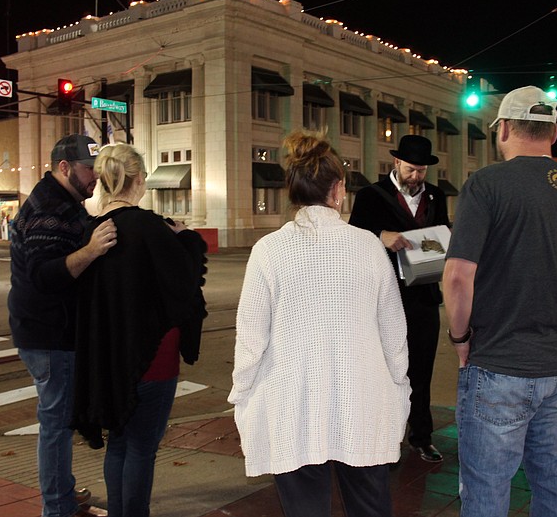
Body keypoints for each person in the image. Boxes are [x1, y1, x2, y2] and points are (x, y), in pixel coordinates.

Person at [443, 85, 557, 517]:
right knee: (552, 476)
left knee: (487, 484)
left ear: (504, 130)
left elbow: (458, 276)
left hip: (499, 362)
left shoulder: (487, 184)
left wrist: (460, 337)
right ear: (553, 133)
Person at [228, 131, 410, 517]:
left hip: (292, 406)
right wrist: (400, 389)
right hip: (362, 404)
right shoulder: (369, 247)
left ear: (291, 190)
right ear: (339, 189)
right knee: (370, 508)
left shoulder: (268, 251)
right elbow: (395, 337)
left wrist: (241, 393)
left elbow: (250, 341)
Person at [71, 143, 208, 517]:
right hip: (153, 357)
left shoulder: (92, 231)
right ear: (137, 179)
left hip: (109, 358)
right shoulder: (150, 226)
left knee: (119, 443)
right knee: (142, 448)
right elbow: (183, 284)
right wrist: (188, 240)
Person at [8, 134, 117, 517]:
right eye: (89, 170)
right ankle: (57, 507)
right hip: (48, 333)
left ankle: (64, 493)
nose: (95, 179)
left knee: (59, 419)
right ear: (65, 167)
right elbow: (43, 276)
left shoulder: (64, 204)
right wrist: (90, 251)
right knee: (56, 422)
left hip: (49, 330)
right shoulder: (47, 210)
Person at [348, 134, 449, 462]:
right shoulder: (370, 196)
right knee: (385, 371)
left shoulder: (435, 195)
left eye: (421, 171)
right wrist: (381, 237)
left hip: (423, 296)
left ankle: (421, 436)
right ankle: (385, 440)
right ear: (396, 164)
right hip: (384, 298)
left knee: (421, 371)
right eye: (410, 170)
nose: (416, 177)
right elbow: (354, 239)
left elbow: (441, 232)